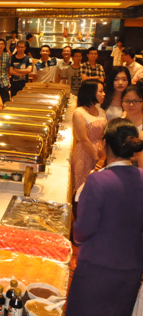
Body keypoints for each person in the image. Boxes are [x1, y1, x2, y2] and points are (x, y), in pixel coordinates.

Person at [66, 118, 143, 316]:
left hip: (97, 265)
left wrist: (75, 235)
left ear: (104, 144)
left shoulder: (98, 180)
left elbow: (84, 229)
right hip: (131, 266)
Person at [71, 80, 107, 190]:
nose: (104, 94)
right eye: (100, 91)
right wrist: (96, 158)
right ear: (91, 93)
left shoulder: (101, 110)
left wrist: (103, 157)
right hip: (85, 153)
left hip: (101, 152)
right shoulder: (79, 113)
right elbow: (84, 139)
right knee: (83, 188)